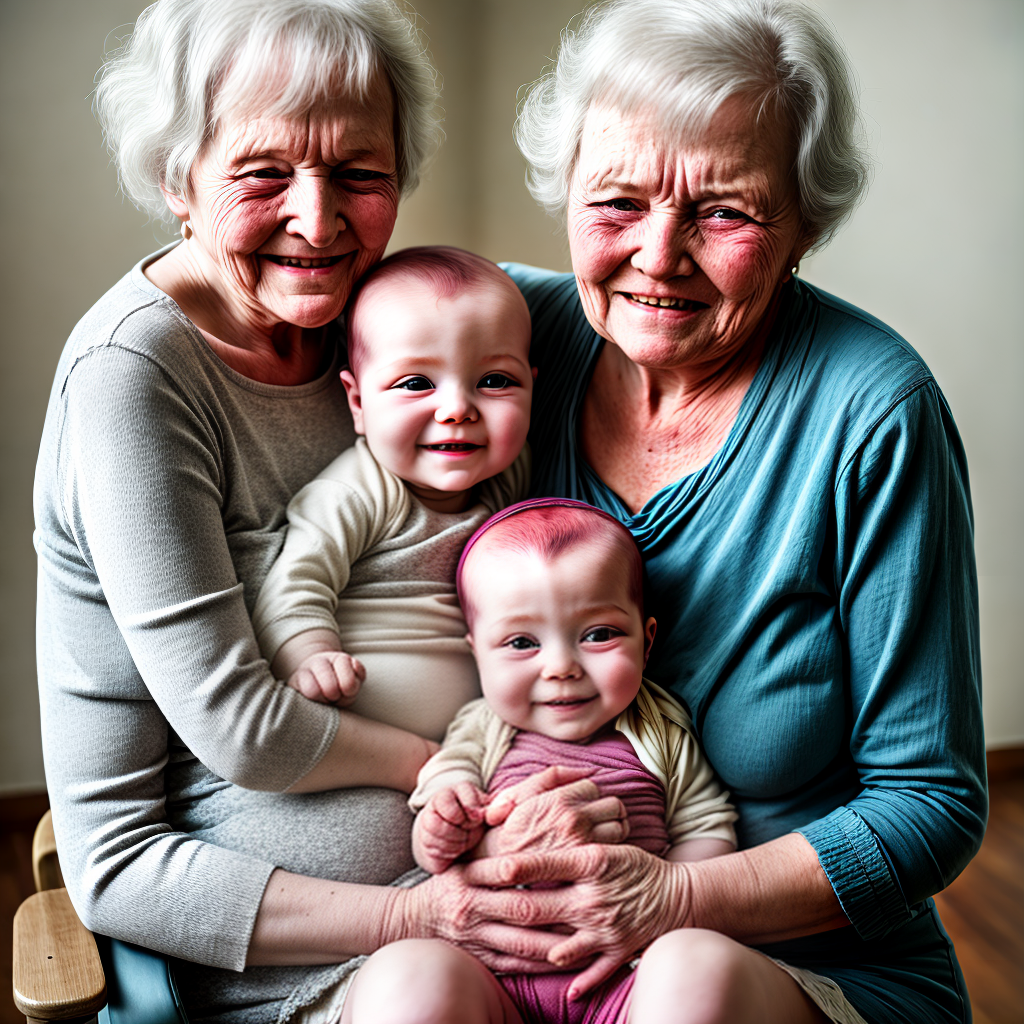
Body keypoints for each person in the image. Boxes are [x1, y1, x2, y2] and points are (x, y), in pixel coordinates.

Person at [400, 1, 981, 1023]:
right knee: (407, 983)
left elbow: (930, 804)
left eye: (724, 210)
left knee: (684, 984)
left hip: (794, 964)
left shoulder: (872, 411)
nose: (658, 256)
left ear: (803, 221)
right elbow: (289, 322)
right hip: (526, 961)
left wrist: (671, 899)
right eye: (616, 201)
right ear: (566, 193)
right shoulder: (503, 349)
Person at [34, 4, 610, 1022]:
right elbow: (210, 763)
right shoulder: (133, 379)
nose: (317, 218)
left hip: (484, 889)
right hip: (292, 945)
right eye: (263, 172)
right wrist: (433, 828)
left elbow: (628, 290)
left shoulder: (387, 318)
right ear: (178, 177)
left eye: (359, 172)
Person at [341, 498, 737, 1023]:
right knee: (407, 973)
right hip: (496, 979)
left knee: (696, 969)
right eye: (522, 642)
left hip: (627, 979)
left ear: (647, 641)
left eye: (599, 634)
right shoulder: (483, 727)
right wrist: (441, 827)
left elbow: (707, 826)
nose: (561, 667)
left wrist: (662, 917)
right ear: (476, 653)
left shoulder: (658, 726)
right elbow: (442, 798)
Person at [251, 245, 533, 738]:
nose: (457, 409)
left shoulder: (511, 483)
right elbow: (293, 588)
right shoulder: (359, 492)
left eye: (493, 381)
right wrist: (313, 655)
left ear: (532, 390)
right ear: (358, 402)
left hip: (479, 740)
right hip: (361, 729)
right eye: (416, 382)